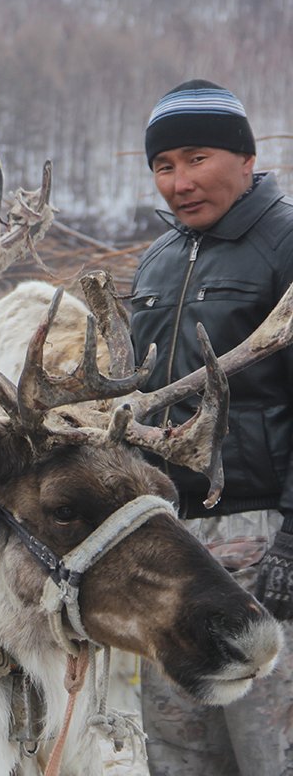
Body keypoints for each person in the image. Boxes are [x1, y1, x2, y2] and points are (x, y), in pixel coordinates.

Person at [129, 78, 293, 776]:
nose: (178, 182)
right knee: (177, 745)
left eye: (196, 158)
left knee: (268, 746)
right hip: (172, 539)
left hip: (260, 534)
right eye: (163, 166)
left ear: (245, 157)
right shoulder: (158, 262)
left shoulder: (285, 245)